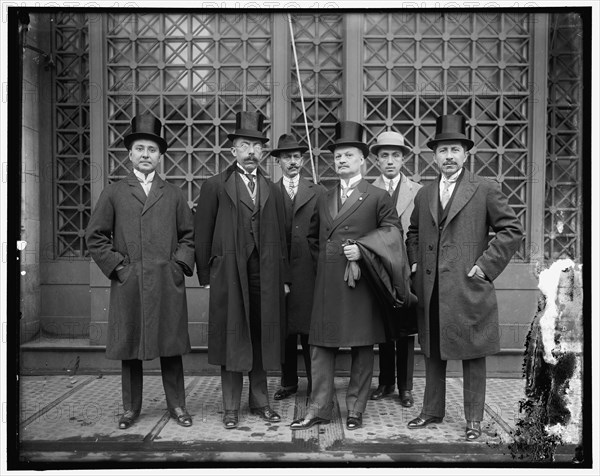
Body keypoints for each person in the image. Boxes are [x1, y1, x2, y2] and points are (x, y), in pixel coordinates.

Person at [405, 114, 523, 440]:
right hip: (431, 288)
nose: (449, 157)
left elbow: (511, 230)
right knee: (432, 351)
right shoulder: (425, 194)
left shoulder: (485, 188)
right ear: (434, 155)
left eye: (455, 150)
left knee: (473, 354)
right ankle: (431, 411)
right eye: (443, 151)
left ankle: (474, 420)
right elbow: (413, 232)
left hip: (468, 285)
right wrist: (415, 265)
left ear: (466, 154)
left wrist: (485, 267)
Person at [86, 113, 195, 430]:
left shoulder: (173, 194)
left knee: (170, 347)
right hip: (130, 281)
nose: (146, 154)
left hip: (166, 282)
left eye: (152, 149)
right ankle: (130, 409)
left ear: (160, 156)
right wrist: (119, 266)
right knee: (130, 348)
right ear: (130, 154)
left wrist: (177, 266)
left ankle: (177, 405)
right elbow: (95, 236)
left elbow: (189, 236)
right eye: (140, 149)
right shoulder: (115, 192)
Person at [290, 121, 400, 431]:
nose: (341, 161)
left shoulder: (377, 196)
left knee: (362, 346)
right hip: (327, 283)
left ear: (362, 160)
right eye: (337, 156)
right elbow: (312, 237)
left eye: (348, 155)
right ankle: (319, 407)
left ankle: (355, 409)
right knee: (321, 345)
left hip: (361, 282)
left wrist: (363, 251)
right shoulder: (323, 196)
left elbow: (393, 234)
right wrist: (325, 263)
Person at [194, 111, 290, 429]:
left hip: (264, 275)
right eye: (244, 144)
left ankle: (260, 401)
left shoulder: (272, 190)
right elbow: (203, 232)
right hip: (230, 275)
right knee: (233, 338)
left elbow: (282, 237)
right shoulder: (214, 186)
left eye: (256, 146)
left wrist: (283, 278)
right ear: (233, 149)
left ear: (262, 152)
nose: (251, 152)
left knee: (261, 337)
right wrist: (206, 277)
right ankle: (231, 407)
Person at [270, 133, 326, 402]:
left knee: (309, 331)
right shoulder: (269, 193)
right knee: (284, 331)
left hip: (310, 272)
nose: (292, 162)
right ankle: (288, 382)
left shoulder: (318, 192)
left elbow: (326, 234)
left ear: (303, 160)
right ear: (278, 161)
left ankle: (316, 383)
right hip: (279, 270)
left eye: (296, 157)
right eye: (286, 157)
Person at [369, 131, 422, 408]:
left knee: (406, 330)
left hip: (407, 269)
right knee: (384, 328)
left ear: (403, 159)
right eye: (385, 155)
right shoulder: (368, 190)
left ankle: (406, 387)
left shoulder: (418, 191)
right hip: (381, 268)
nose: (390, 161)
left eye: (396, 156)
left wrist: (415, 265)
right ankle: (385, 382)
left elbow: (421, 231)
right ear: (377, 160)